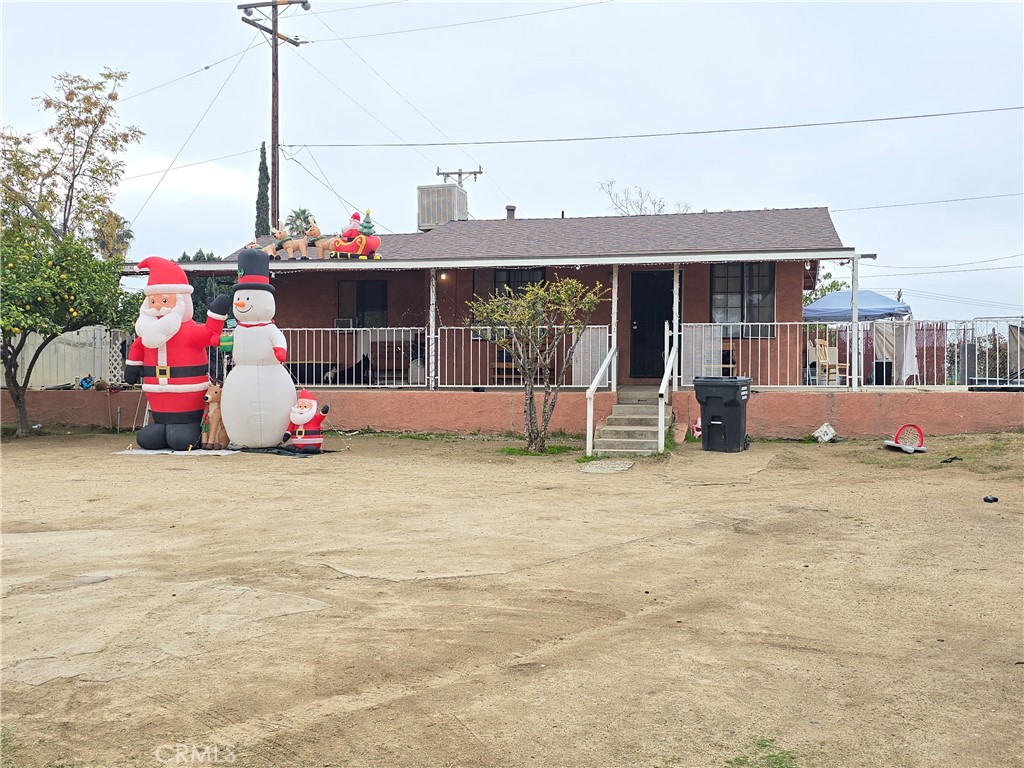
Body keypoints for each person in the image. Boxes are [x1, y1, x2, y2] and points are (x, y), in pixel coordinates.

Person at [124, 257, 230, 450]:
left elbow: (209, 334)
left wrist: (215, 315)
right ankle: (160, 426)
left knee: (181, 439)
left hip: (188, 400)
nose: (158, 306)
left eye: (164, 300)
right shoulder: (146, 333)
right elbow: (138, 347)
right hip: (158, 399)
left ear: (181, 300)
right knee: (148, 439)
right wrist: (133, 367)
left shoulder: (189, 330)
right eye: (154, 300)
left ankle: (190, 428)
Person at [282, 389, 330, 453]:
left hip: (312, 445)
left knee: (310, 449)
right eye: (300, 406)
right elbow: (290, 428)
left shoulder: (314, 418)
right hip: (296, 445)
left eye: (305, 406)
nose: (301, 408)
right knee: (288, 447)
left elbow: (320, 417)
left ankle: (308, 449)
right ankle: (298, 449)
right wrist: (287, 434)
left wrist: (323, 412)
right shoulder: (294, 419)